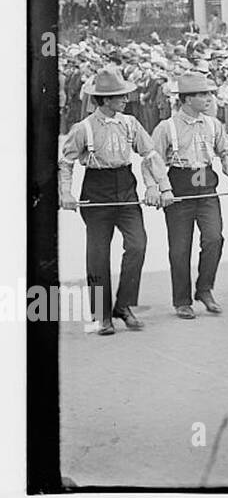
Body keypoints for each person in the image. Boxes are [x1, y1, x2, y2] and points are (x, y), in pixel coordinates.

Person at [58, 66, 172, 335]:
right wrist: (65, 193)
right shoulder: (82, 128)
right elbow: (65, 163)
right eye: (120, 96)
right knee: (98, 253)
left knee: (138, 245)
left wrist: (162, 187)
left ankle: (123, 306)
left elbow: (150, 154)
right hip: (96, 189)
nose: (125, 100)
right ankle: (102, 315)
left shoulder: (130, 123)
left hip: (126, 187)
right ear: (105, 100)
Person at [151, 72, 228, 319]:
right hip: (179, 187)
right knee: (180, 248)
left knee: (214, 238)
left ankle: (204, 289)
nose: (208, 98)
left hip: (206, 186)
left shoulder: (213, 124)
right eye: (202, 94)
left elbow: (226, 152)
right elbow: (153, 161)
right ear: (186, 99)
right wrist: (160, 188)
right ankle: (181, 301)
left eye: (208, 93)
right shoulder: (166, 127)